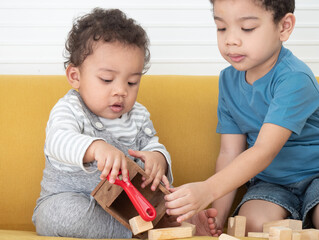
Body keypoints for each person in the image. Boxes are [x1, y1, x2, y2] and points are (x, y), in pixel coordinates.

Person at [165, 0, 319, 235]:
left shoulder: (295, 78)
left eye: (247, 28)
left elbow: (264, 150)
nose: (231, 40)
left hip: (315, 175)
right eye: (221, 28)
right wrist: (216, 217)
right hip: (270, 183)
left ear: (284, 27)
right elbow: (230, 153)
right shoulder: (228, 81)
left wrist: (207, 189)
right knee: (252, 225)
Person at [32, 8, 174, 238]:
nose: (120, 91)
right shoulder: (70, 109)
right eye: (107, 80)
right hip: (71, 199)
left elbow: (151, 145)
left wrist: (159, 159)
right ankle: (153, 230)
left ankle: (169, 221)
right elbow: (57, 140)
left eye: (132, 82)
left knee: (169, 198)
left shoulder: (137, 115)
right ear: (75, 76)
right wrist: (95, 148)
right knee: (65, 216)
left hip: (124, 207)